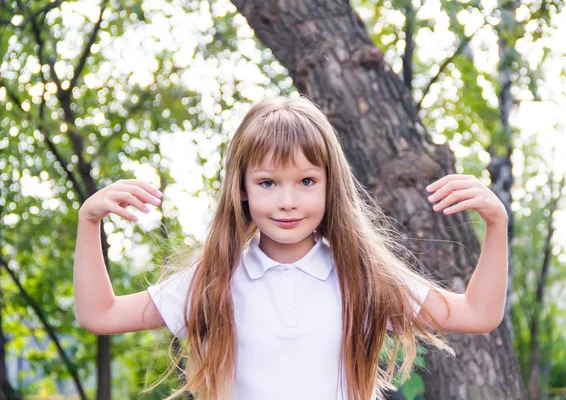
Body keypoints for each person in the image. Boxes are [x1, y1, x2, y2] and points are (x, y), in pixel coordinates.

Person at [74, 96, 509, 400]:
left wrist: (495, 225)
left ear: (328, 187)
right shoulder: (214, 280)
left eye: (306, 181)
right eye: (267, 182)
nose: (287, 200)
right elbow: (100, 315)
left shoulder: (363, 275)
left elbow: (477, 313)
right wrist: (89, 222)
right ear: (242, 190)